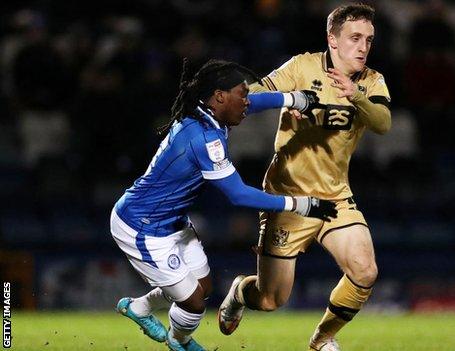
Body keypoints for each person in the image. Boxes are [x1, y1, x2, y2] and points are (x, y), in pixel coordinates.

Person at [111, 58, 337, 351]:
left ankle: (139, 308)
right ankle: (179, 343)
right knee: (192, 302)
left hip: (172, 221)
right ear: (220, 97)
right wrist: (300, 205)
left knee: (202, 287)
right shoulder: (204, 138)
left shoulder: (210, 114)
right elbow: (238, 194)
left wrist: (295, 98)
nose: (247, 101)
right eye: (241, 94)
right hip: (141, 227)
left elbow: (254, 103)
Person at [218, 4, 391, 351]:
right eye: (355, 38)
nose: (362, 47)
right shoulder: (301, 66)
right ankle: (239, 291)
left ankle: (322, 338)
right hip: (288, 198)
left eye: (368, 40)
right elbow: (251, 94)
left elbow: (383, 122)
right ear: (333, 39)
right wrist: (287, 99)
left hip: (334, 197)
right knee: (270, 299)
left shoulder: (371, 81)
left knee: (365, 271)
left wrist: (354, 96)